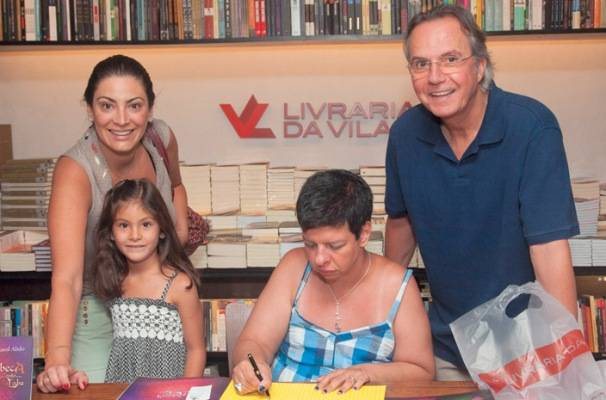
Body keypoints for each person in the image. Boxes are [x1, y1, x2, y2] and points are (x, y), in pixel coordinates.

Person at [385, 5, 579, 381]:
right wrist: (381, 316)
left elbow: (549, 249)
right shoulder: (405, 135)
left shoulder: (532, 127)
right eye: (421, 64)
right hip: (445, 345)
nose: (435, 77)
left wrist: (563, 361)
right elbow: (401, 226)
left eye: (451, 59)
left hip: (524, 347)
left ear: (480, 65)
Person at [37, 54, 190, 392]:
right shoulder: (75, 171)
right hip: (100, 311)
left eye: (134, 106)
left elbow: (176, 186)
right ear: (90, 109)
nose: (121, 120)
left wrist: (176, 241)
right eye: (107, 105)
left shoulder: (161, 139)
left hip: (160, 308)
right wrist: (58, 359)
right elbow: (68, 278)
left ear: (150, 109)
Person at [232, 169, 434, 395]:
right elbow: (253, 343)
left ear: (364, 234)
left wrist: (367, 373)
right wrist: (252, 366)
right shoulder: (293, 267)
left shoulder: (398, 285)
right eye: (310, 244)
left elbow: (421, 371)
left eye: (334, 246)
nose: (319, 259)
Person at [87, 178, 203, 383]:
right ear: (111, 233)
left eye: (146, 224)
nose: (135, 235)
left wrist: (186, 393)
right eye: (124, 225)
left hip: (168, 394)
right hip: (121, 389)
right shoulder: (114, 281)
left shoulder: (180, 286)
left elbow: (196, 351)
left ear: (162, 230)